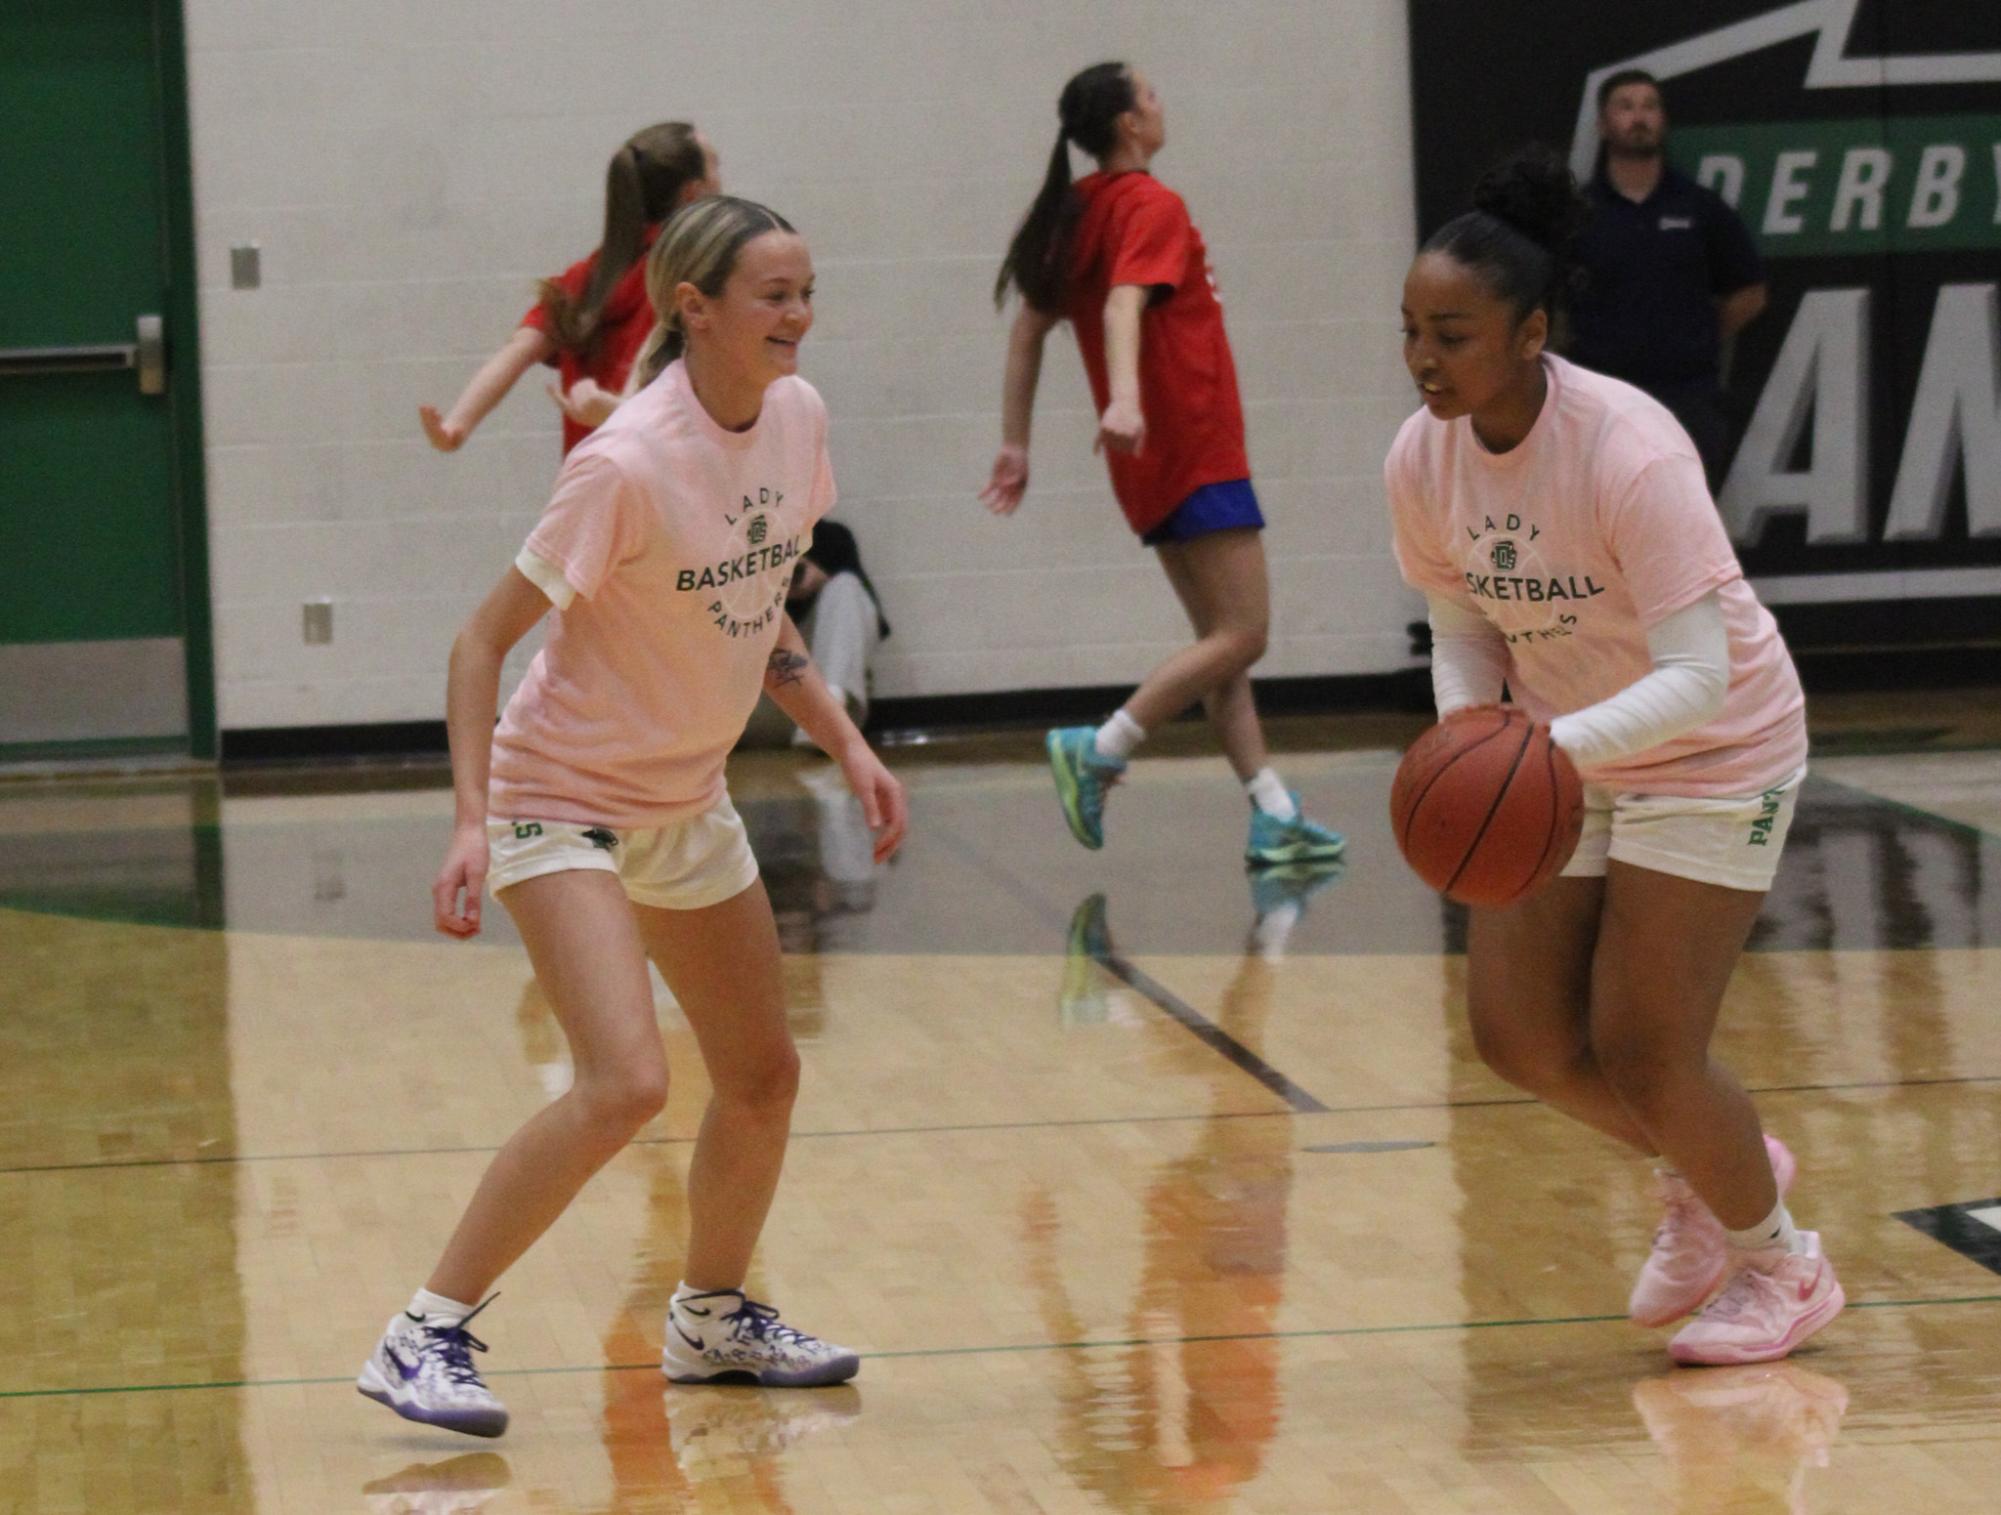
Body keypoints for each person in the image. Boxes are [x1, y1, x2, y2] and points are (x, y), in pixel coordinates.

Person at [359, 195, 908, 1439]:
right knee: (624, 1083)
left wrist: (852, 747)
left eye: (808, 291)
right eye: (775, 296)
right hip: (561, 799)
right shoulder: (621, 462)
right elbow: (479, 641)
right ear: (694, 310)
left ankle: (713, 1318)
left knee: (762, 1076)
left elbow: (756, 602)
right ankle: (422, 1334)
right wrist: (466, 818)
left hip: (686, 796)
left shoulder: (798, 421)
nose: (800, 317)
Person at [1386, 146, 1842, 1365]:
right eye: (1412, 331)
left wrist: (1530, 751)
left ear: (1531, 332)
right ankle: (1712, 1168)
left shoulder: (1629, 449)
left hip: (1716, 747)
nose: (1427, 359)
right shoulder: (1420, 458)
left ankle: (1784, 1265)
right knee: (1519, 1038)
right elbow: (1464, 617)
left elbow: (1700, 673)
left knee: (1646, 1046)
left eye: (1455, 333)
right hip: (1563, 745)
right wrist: (1466, 732)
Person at [982, 62, 1344, 869]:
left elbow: (1026, 333)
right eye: (1149, 94)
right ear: (1127, 126)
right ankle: (1102, 746)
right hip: (1189, 441)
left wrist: (1016, 443)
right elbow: (1121, 304)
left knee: (1214, 644)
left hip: (1145, 462)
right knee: (1245, 633)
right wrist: (1126, 400)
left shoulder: (1075, 211)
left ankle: (1272, 812)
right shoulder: (1149, 203)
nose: (1161, 101)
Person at [418, 122, 721, 458]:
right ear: (693, 192)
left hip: (591, 480)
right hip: (663, 476)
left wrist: (457, 424)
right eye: (715, 166)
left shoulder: (587, 278)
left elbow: (518, 352)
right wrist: (620, 409)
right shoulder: (697, 277)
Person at [1568, 70, 1767, 490]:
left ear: (1663, 121)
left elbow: (1750, 291)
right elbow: (1542, 300)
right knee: (1606, 532)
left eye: (1649, 106)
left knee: (1685, 530)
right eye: (1625, 106)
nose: (1639, 117)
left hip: (1687, 396)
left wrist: (1699, 336)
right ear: (1603, 125)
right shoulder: (1577, 214)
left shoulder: (1700, 208)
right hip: (1603, 401)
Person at [784, 518, 890, 736]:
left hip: (814, 698)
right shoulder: (731, 542)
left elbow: (876, 625)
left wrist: (823, 578)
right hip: (757, 700)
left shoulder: (830, 537)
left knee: (845, 586)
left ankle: (830, 712)